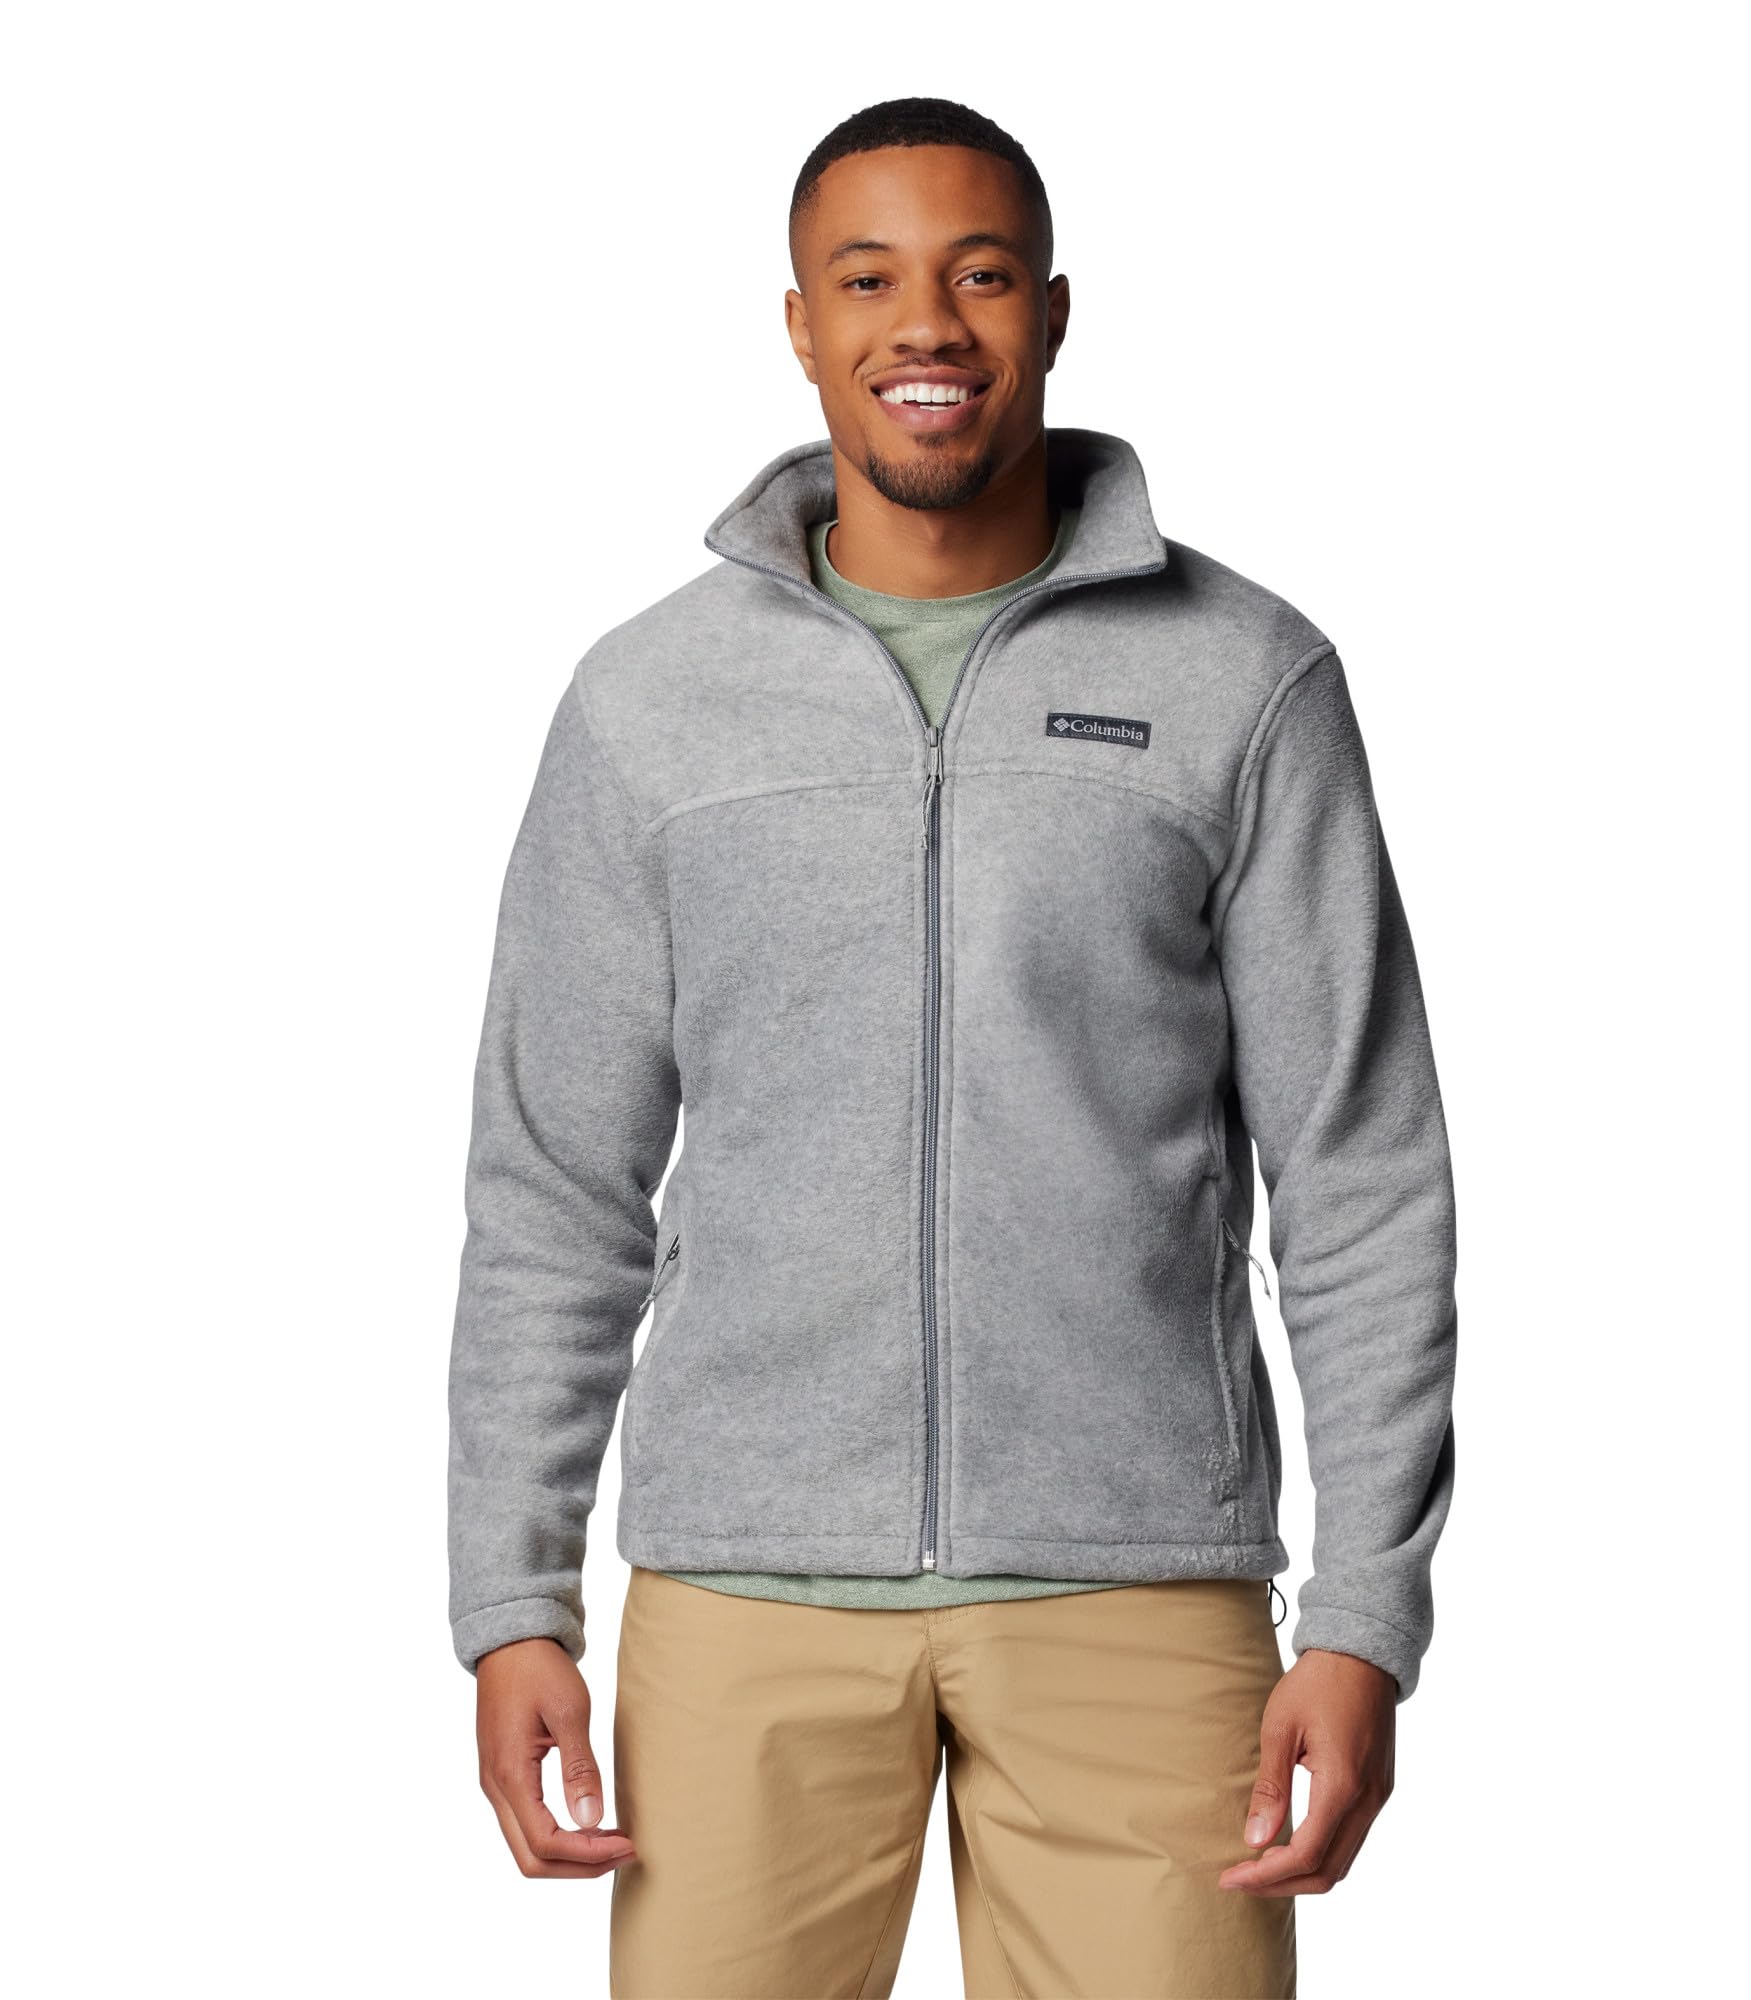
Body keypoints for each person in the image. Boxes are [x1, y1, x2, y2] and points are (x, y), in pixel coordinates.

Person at [447, 95, 1457, 2000]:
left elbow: (1361, 1173)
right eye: (869, 280)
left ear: (1052, 312)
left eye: (979, 274)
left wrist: (1362, 1619)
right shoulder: (650, 705)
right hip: (742, 1592)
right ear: (800, 325)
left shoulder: (1241, 679)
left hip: (1141, 1585)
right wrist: (512, 1598)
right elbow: (554, 1184)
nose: (926, 323)